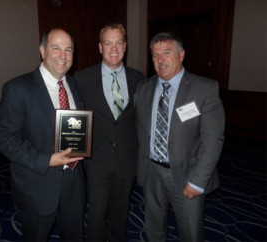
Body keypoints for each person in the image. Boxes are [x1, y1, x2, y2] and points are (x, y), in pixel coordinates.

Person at [0, 28, 86, 241]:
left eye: (69, 49)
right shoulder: (17, 88)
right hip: (38, 184)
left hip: (73, 182)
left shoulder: (73, 84)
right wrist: (47, 160)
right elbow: (5, 139)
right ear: (42, 51)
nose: (63, 56)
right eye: (56, 48)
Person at [135, 32, 225, 241]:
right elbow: (140, 130)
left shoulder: (204, 89)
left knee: (190, 233)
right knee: (153, 229)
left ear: (181, 54)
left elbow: (213, 140)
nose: (160, 60)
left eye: (167, 52)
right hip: (151, 173)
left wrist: (198, 181)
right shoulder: (144, 88)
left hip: (188, 176)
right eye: (155, 55)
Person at [74, 23, 144, 241]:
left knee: (120, 211)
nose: (114, 48)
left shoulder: (139, 79)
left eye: (118, 43)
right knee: (96, 212)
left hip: (126, 158)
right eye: (108, 43)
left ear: (125, 46)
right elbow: (73, 116)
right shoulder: (82, 79)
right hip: (96, 159)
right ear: (100, 47)